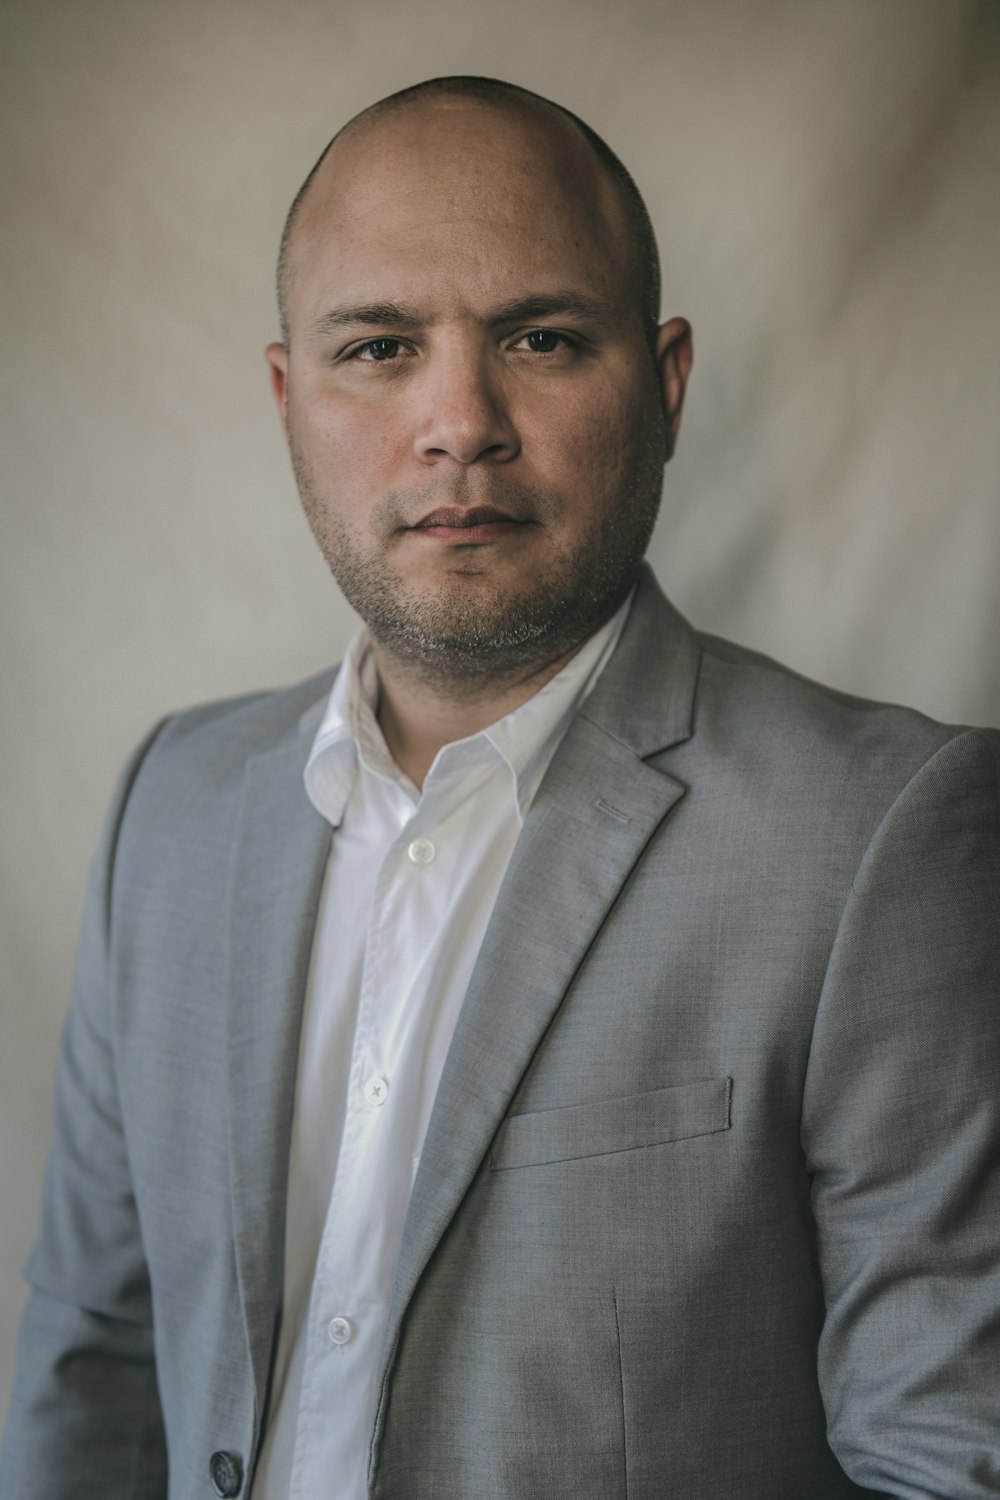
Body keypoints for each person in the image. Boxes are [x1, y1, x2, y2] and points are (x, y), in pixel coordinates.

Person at [1, 74, 998, 1500]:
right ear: (290, 399)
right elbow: (87, 1380)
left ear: (663, 386)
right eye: (380, 346)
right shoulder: (169, 808)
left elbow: (949, 1457)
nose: (458, 421)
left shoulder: (884, 838)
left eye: (540, 336)